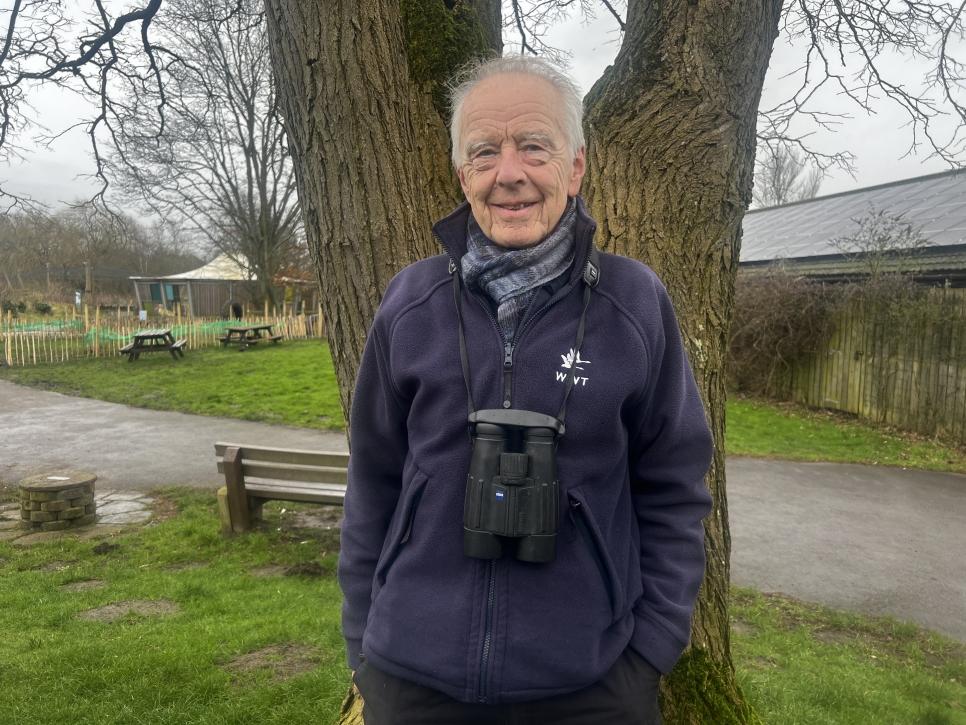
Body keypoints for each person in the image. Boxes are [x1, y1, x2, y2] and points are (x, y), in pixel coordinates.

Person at [338, 56, 714, 724]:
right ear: (463, 175)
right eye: (484, 152)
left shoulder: (635, 303)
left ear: (575, 167)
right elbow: (373, 479)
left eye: (533, 146)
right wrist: (364, 646)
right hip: (410, 680)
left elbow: (675, 485)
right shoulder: (410, 303)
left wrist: (650, 651)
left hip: (591, 687)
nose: (508, 172)